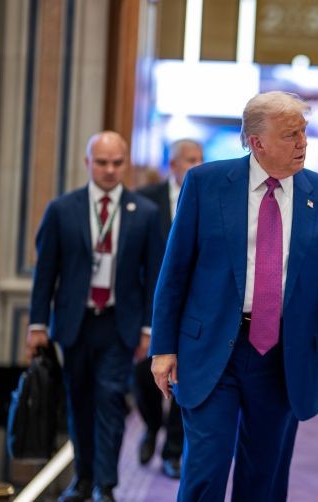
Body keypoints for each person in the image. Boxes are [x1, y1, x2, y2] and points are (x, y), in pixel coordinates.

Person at [149, 91, 318, 501]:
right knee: (206, 467)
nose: (303, 143)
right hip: (213, 347)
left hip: (283, 355)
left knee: (264, 475)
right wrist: (163, 347)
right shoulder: (206, 184)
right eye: (290, 135)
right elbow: (174, 272)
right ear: (256, 142)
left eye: (303, 132)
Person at [27, 131, 163, 502]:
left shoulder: (145, 213)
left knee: (110, 400)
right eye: (102, 162)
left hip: (119, 324)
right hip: (75, 323)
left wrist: (149, 329)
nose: (109, 169)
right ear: (88, 163)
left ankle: (106, 484)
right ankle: (83, 478)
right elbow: (45, 272)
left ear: (125, 164)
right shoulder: (62, 209)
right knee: (79, 401)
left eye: (116, 163)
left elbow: (154, 276)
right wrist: (37, 324)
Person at [133, 139, 204, 478]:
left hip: (192, 308)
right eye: (190, 159)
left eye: (200, 159)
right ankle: (151, 425)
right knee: (144, 378)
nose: (197, 165)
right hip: (150, 304)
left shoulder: (210, 199)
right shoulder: (146, 200)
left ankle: (173, 451)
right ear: (173, 165)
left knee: (182, 379)